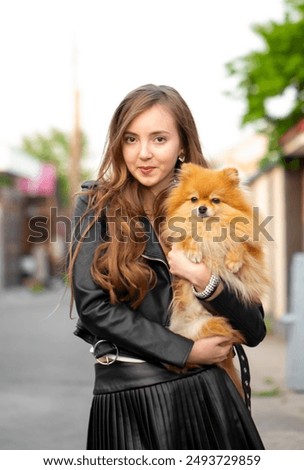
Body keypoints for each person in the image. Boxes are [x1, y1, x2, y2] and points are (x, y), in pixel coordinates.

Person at [69, 84, 266, 450]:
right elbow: (93, 306)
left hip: (210, 397)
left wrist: (205, 281)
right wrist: (184, 351)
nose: (143, 153)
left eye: (159, 139)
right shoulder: (94, 207)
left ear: (182, 147)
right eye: (130, 139)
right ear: (117, 144)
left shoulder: (214, 207)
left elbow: (254, 329)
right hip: (130, 395)